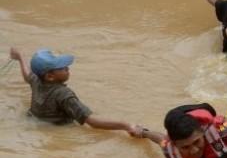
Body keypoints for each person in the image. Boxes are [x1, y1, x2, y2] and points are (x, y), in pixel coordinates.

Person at [9, 48, 138, 134]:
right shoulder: (64, 95)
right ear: (50, 76)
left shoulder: (37, 80)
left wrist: (20, 56)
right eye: (62, 67)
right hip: (58, 129)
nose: (67, 68)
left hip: (35, 122)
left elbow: (27, 75)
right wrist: (126, 126)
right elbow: (92, 122)